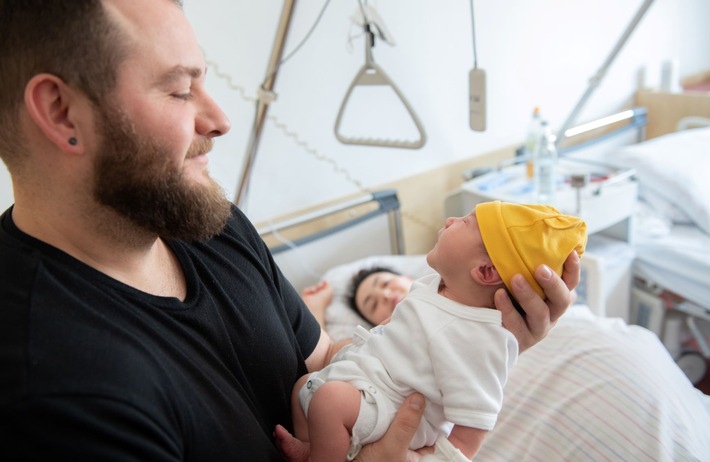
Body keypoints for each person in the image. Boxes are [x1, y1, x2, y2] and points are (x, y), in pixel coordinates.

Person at [0, 1, 581, 460]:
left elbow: (322, 358)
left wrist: (486, 331)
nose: (220, 118)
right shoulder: (57, 394)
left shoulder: (209, 226)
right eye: (179, 90)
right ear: (61, 112)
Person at [285, 202, 587, 462]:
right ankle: (316, 450)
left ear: (485, 271)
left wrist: (430, 458)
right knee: (303, 386)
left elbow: (475, 426)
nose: (449, 220)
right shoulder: (434, 287)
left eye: (464, 221)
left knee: (328, 401)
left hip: (394, 405)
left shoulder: (481, 339)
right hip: (369, 381)